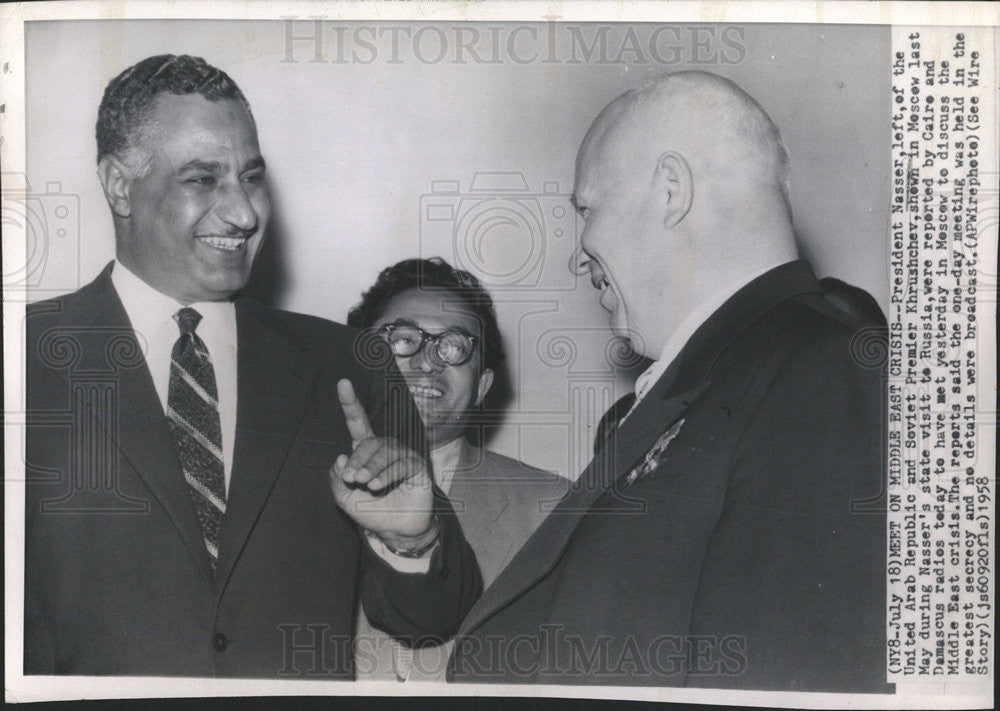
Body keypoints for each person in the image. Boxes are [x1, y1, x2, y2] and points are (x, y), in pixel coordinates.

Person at [23, 54, 480, 677]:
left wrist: (411, 539)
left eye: (252, 177)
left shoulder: (351, 363)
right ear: (119, 184)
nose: (245, 213)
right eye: (203, 179)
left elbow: (429, 620)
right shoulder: (24, 356)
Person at [448, 70, 888, 692]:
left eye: (587, 209)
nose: (579, 252)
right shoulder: (703, 390)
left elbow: (781, 682)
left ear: (671, 190)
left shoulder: (826, 371)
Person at [347, 257, 568, 681]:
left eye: (453, 346)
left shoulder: (556, 509)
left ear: (483, 385)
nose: (428, 362)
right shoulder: (281, 491)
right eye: (402, 339)